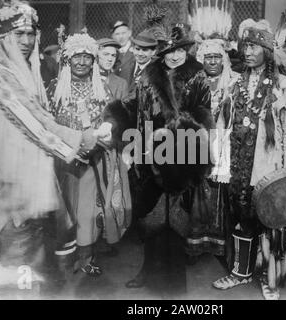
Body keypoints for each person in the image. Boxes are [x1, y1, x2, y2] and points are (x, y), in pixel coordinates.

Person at [0, 1, 111, 297]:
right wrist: (86, 139)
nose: (26, 41)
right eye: (18, 34)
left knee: (29, 261)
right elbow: (34, 124)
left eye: (31, 34)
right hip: (8, 193)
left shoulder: (21, 72)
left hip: (27, 184)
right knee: (14, 264)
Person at [103, 24, 214, 294]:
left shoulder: (197, 75)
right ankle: (148, 271)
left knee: (176, 219)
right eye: (169, 51)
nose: (175, 56)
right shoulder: (148, 76)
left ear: (186, 50)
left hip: (183, 157)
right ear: (161, 52)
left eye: (179, 51)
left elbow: (204, 115)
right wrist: (114, 118)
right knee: (150, 216)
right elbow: (132, 106)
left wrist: (188, 138)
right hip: (148, 152)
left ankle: (174, 282)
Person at [212, 19, 286, 300]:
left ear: (267, 50)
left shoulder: (282, 86)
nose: (248, 52)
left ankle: (269, 277)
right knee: (241, 215)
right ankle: (241, 272)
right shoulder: (234, 83)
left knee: (270, 220)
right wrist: (221, 163)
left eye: (254, 47)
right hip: (239, 165)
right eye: (245, 47)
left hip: (269, 166)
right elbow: (222, 128)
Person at [47, 33, 132, 277]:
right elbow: (47, 120)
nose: (82, 62)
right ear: (68, 60)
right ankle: (64, 258)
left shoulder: (102, 87)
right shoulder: (54, 87)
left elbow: (114, 117)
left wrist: (107, 128)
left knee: (87, 210)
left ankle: (86, 257)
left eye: (87, 57)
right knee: (64, 210)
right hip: (63, 159)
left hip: (94, 159)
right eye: (77, 57)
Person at [186, 38, 238, 263]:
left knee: (222, 195)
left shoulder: (234, 82)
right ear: (201, 59)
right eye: (208, 57)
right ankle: (197, 245)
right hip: (200, 144)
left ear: (224, 59)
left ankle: (220, 246)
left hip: (225, 145)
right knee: (199, 193)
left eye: (217, 57)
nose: (213, 61)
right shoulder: (194, 81)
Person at [126, 30, 158, 97]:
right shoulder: (125, 67)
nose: (140, 54)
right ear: (133, 49)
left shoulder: (156, 72)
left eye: (145, 50)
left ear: (153, 52)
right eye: (137, 49)